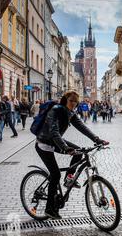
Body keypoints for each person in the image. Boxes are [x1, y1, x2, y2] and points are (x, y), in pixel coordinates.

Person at [35, 90, 109, 220]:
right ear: (65, 99)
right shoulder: (56, 110)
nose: (73, 104)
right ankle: (49, 209)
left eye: (76, 102)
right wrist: (65, 148)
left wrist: (97, 139)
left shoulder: (71, 113)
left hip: (56, 142)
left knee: (79, 152)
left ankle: (69, 178)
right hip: (44, 143)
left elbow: (82, 127)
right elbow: (54, 131)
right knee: (55, 174)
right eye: (71, 101)